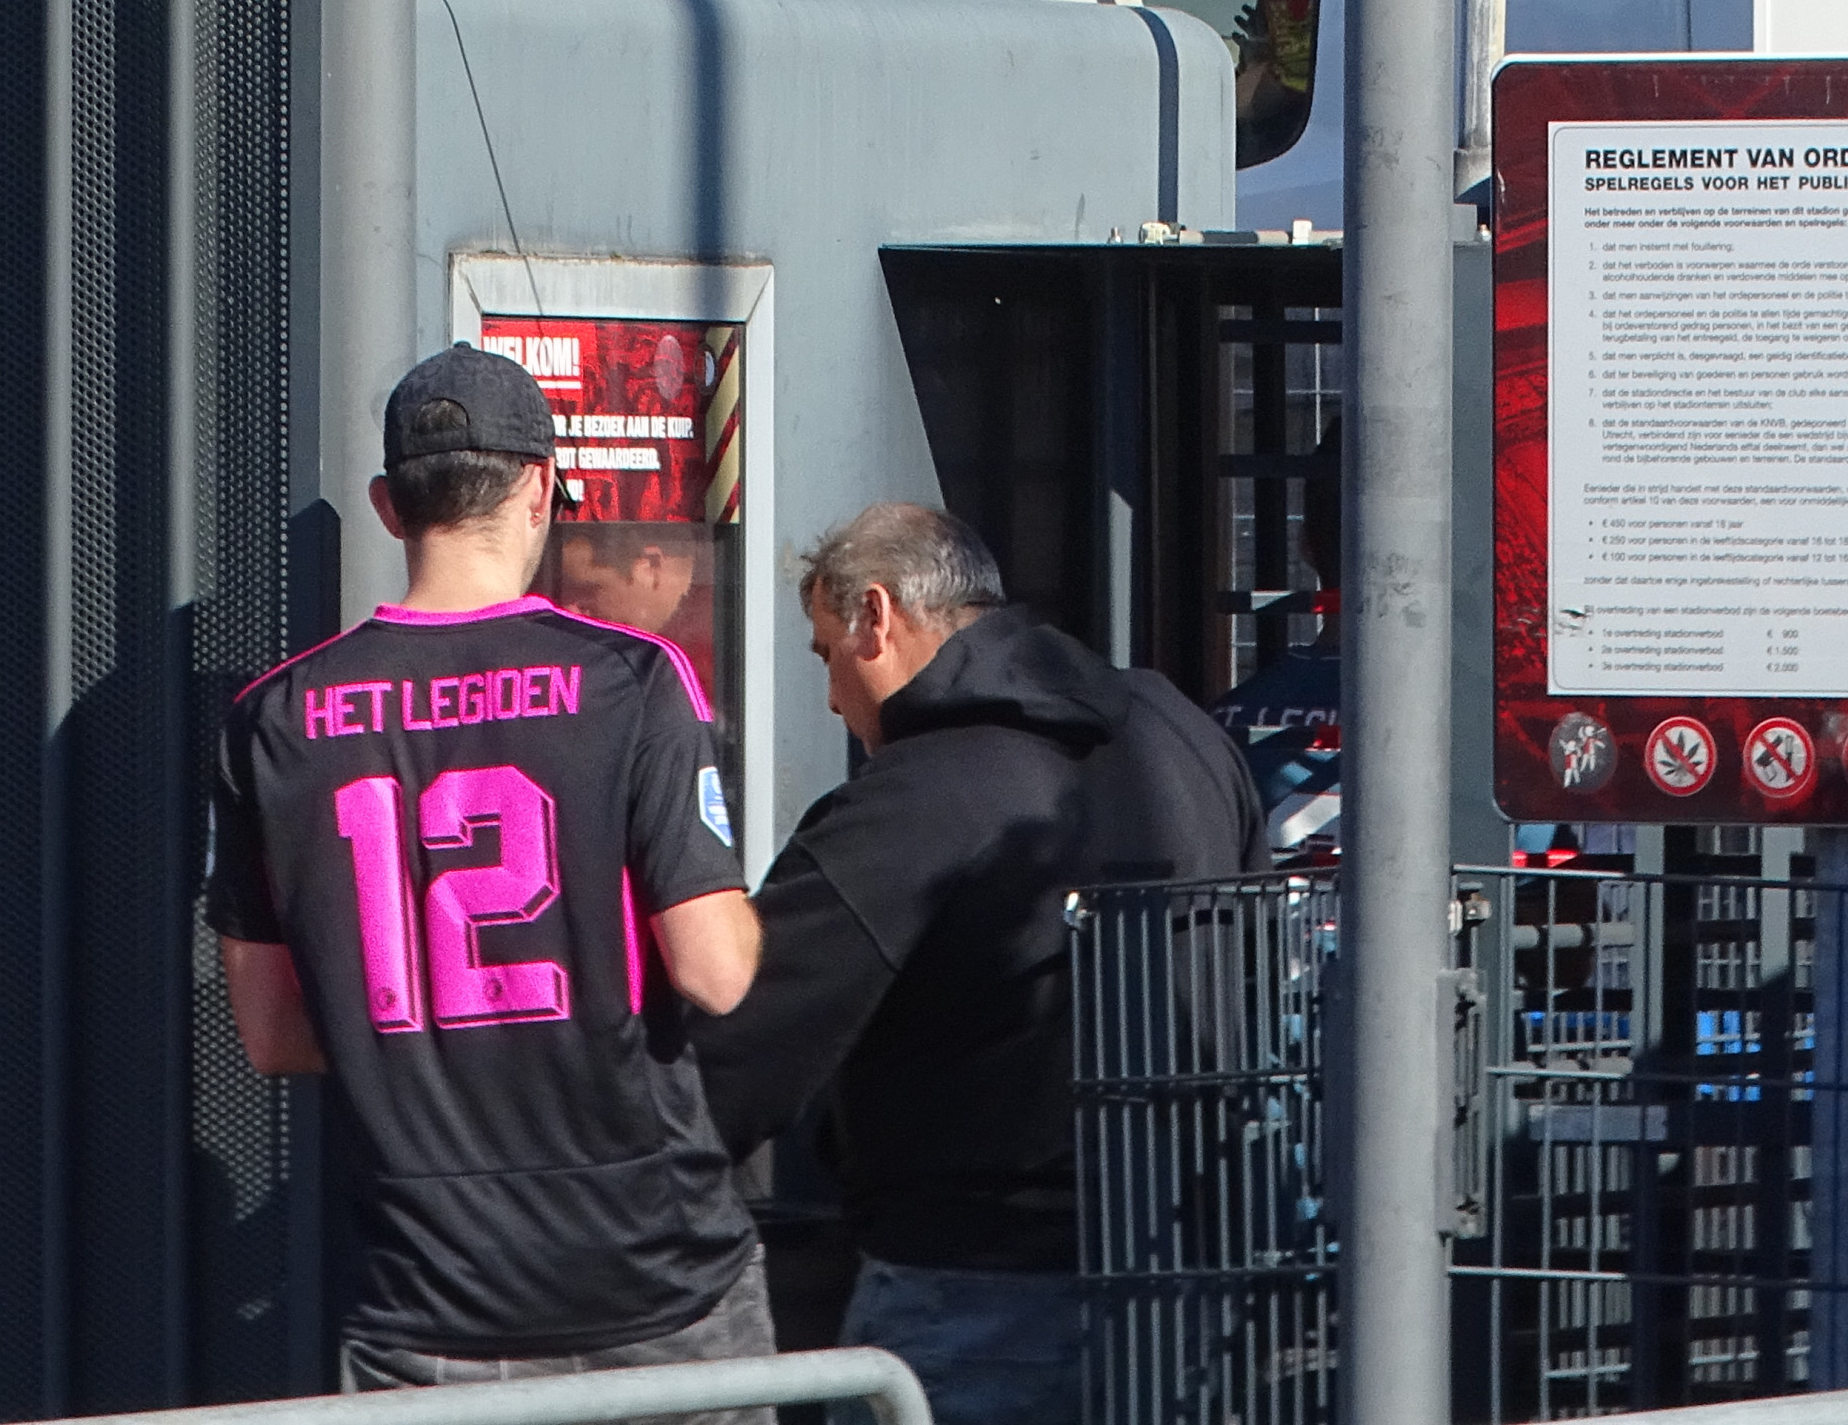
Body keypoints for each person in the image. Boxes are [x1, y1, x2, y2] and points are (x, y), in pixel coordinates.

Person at [205, 343, 771, 1400]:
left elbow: (277, 1034)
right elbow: (716, 971)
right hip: (653, 1276)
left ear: (387, 505)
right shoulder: (633, 681)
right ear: (539, 487)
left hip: (432, 1297)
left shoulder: (273, 721)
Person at [697, 504, 1264, 1425]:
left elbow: (737, 1045)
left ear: (874, 617)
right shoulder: (1181, 732)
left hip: (970, 1286)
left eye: (824, 654)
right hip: (1191, 1279)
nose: (834, 698)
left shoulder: (912, 801)